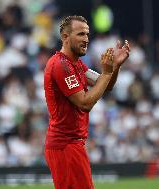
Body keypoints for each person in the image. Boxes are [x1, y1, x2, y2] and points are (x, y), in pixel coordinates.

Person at [44, 15, 130, 189]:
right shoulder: (61, 65)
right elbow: (84, 103)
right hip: (65, 145)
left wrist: (114, 68)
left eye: (87, 34)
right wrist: (106, 73)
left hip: (70, 144)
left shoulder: (76, 64)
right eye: (81, 34)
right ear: (65, 37)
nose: (86, 39)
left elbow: (105, 86)